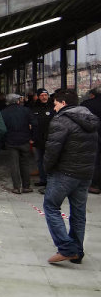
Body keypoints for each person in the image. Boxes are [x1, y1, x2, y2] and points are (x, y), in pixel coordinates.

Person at [43, 89, 98, 264]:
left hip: (65, 173)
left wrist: (47, 169)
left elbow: (52, 150)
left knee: (51, 206)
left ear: (63, 103)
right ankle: (77, 251)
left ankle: (66, 248)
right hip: (85, 173)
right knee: (78, 212)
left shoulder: (61, 121)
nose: (54, 106)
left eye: (56, 103)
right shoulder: (89, 118)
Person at [1, 93, 37, 194]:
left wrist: (3, 140)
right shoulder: (26, 110)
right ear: (17, 100)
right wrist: (32, 137)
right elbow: (34, 124)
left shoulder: (4, 112)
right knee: (25, 164)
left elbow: (1, 128)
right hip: (24, 140)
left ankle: (16, 187)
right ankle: (26, 186)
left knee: (14, 165)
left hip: (10, 141)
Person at [31, 88, 54, 192]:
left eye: (46, 95)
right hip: (38, 139)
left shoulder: (53, 107)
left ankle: (50, 182)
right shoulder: (34, 108)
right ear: (38, 97)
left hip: (50, 139)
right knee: (39, 160)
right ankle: (43, 179)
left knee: (48, 160)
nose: (44, 97)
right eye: (42, 95)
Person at [80, 86, 101, 194]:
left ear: (92, 95)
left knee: (95, 161)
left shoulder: (87, 104)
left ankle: (95, 185)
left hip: (92, 135)